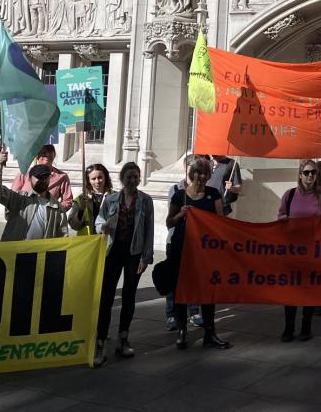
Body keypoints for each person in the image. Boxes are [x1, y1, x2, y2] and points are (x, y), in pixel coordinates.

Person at [93, 162, 154, 366]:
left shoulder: (145, 201)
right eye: (129, 177)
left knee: (129, 295)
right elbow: (99, 222)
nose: (133, 180)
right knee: (106, 296)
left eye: (136, 177)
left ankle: (123, 337)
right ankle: (100, 340)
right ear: (122, 178)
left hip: (134, 253)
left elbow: (149, 229)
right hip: (113, 251)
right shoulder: (110, 200)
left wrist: (147, 256)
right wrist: (104, 226)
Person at [166, 156, 229, 350]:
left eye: (204, 173)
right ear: (191, 173)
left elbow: (221, 221)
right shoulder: (179, 195)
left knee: (207, 291)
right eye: (197, 172)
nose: (201, 176)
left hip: (205, 251)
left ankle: (210, 332)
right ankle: (182, 331)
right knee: (180, 288)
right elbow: (169, 222)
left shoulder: (213, 194)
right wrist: (181, 214)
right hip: (181, 248)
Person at [278, 160, 321, 342]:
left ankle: (306, 327)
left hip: (313, 249)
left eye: (313, 173)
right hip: (293, 249)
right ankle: (288, 328)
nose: (310, 176)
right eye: (306, 172)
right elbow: (280, 216)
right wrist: (286, 219)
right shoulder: (289, 195)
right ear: (300, 175)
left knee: (309, 288)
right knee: (291, 289)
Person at [0, 149, 69, 240]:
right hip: (17, 251)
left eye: (45, 177)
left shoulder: (56, 207)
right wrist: (0, 165)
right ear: (30, 178)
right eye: (38, 177)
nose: (42, 180)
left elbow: (63, 236)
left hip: (41, 252)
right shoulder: (19, 199)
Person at [10, 144, 74, 209]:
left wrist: (54, 209)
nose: (46, 154)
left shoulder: (62, 177)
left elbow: (67, 201)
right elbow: (12, 195)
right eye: (42, 152)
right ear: (37, 155)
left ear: (54, 154)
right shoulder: (24, 173)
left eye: (49, 151)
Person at [69, 164, 112, 235]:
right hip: (87, 241)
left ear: (106, 177)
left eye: (100, 177)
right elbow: (74, 225)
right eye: (93, 179)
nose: (97, 181)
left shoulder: (115, 197)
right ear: (88, 180)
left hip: (107, 240)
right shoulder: (81, 199)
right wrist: (81, 210)